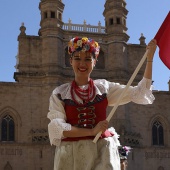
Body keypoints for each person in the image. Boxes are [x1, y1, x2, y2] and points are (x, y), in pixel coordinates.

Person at [47, 37, 157, 170]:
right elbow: (58, 128)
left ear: (95, 62)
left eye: (88, 59)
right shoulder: (60, 93)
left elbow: (140, 92)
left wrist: (149, 59)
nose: (82, 63)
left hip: (102, 152)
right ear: (71, 61)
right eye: (77, 58)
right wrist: (92, 131)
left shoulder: (104, 88)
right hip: (71, 155)